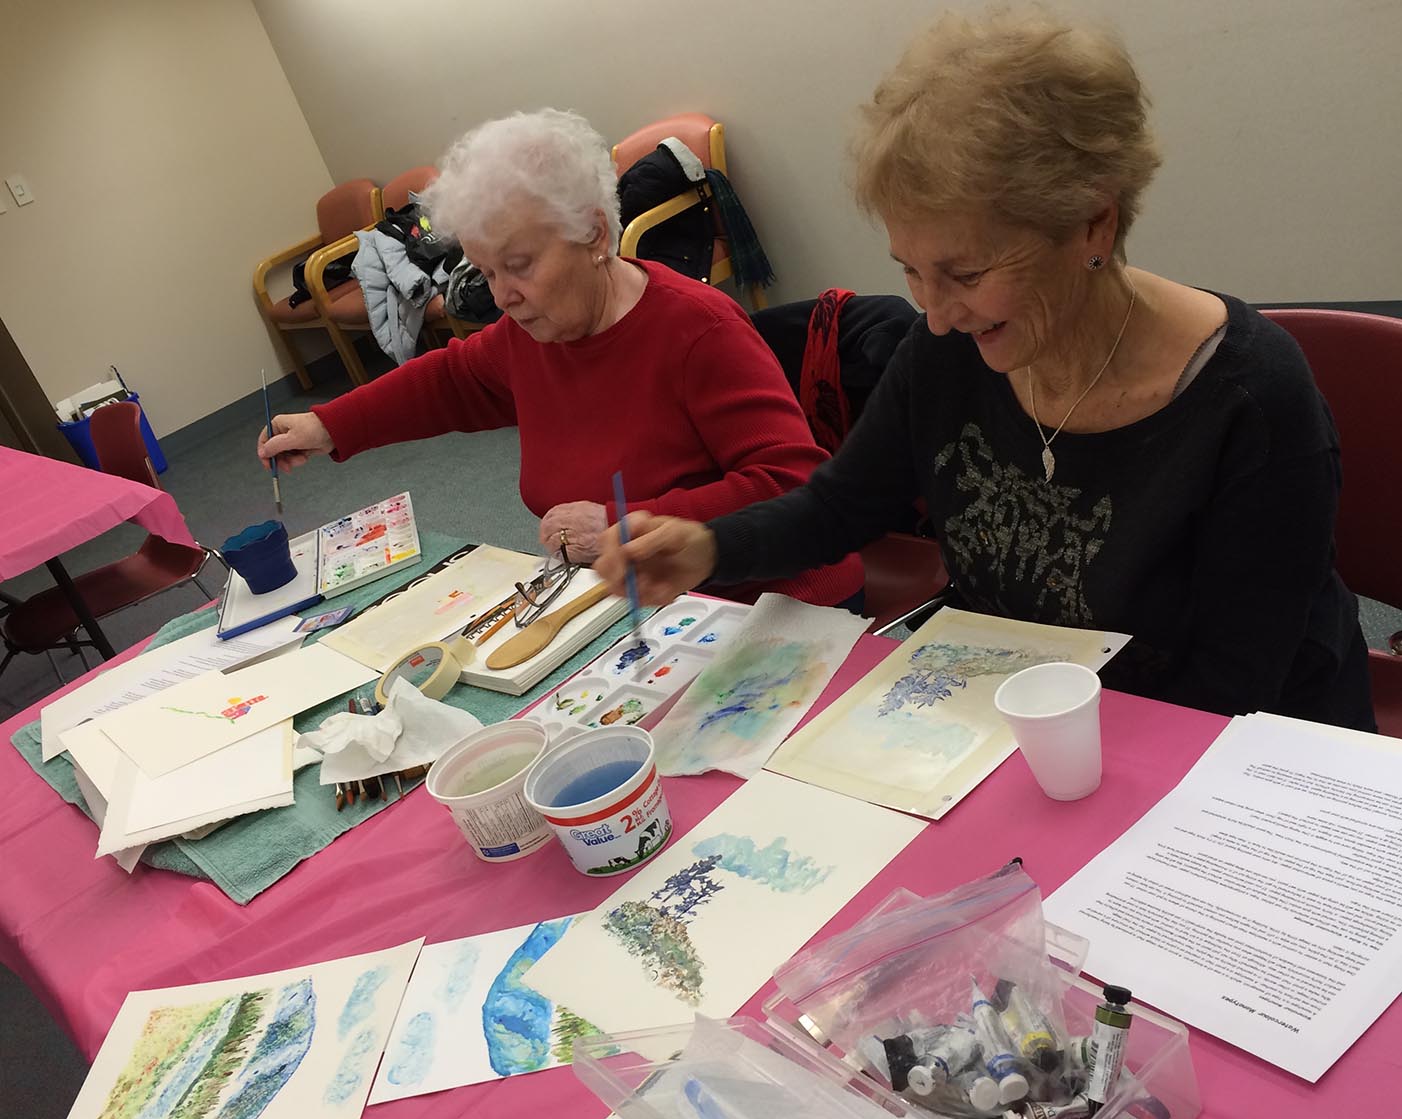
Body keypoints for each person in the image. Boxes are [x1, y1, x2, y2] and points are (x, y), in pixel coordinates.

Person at [597, 7, 1374, 729]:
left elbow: (1230, 694)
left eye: (965, 274)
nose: (935, 314)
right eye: (910, 271)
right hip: (1022, 716)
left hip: (1228, 752)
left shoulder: (1250, 402)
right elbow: (840, 507)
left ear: (1093, 223)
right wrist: (708, 546)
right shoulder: (950, 349)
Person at [257, 109, 861, 610]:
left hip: (770, 603)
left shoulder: (698, 331)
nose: (502, 296)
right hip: (643, 608)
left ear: (594, 234)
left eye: (518, 266)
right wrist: (327, 424)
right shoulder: (532, 334)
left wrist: (622, 521)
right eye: (487, 271)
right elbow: (451, 380)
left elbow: (791, 485)